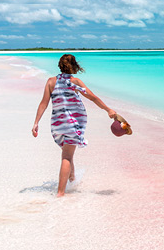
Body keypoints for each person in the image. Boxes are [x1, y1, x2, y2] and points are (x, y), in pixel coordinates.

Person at [32, 54, 117, 197]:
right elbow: (92, 97)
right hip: (72, 123)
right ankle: (61, 192)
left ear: (60, 65)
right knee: (66, 156)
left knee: (68, 154)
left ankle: (72, 181)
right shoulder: (75, 81)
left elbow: (44, 103)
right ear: (74, 66)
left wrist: (36, 122)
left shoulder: (50, 82)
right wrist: (108, 109)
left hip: (57, 124)